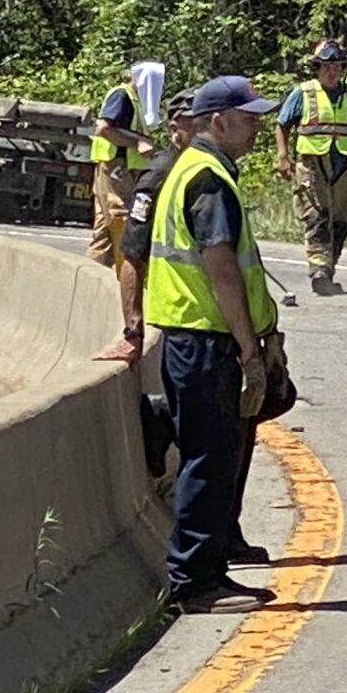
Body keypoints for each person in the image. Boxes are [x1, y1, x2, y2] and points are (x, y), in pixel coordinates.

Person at [143, 76, 284, 612]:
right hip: (206, 339)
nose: (256, 128)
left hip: (190, 337)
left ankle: (207, 571)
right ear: (217, 121)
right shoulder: (208, 180)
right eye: (248, 118)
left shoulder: (194, 171)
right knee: (211, 457)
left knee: (207, 448)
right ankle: (196, 582)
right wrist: (249, 349)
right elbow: (222, 266)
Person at [95, 89, 197, 364]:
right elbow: (133, 251)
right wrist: (134, 332)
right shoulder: (161, 175)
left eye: (207, 120)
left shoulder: (207, 169)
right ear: (175, 128)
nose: (204, 129)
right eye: (194, 122)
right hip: (179, 319)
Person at [275, 39, 347, 294]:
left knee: (342, 221)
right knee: (317, 217)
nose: (332, 71)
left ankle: (328, 268)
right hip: (312, 163)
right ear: (317, 68)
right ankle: (318, 271)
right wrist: (283, 157)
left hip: (346, 165)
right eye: (326, 66)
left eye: (337, 66)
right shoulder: (303, 93)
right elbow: (282, 125)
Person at [86, 61, 157, 272]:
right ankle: (127, 271)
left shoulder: (136, 100)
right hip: (116, 167)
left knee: (104, 228)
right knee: (121, 216)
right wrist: (137, 142)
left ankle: (93, 274)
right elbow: (104, 128)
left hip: (120, 167)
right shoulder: (122, 96)